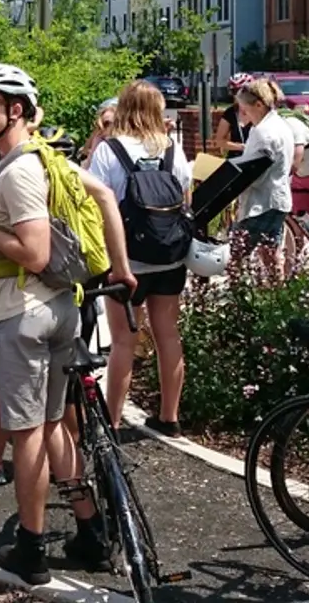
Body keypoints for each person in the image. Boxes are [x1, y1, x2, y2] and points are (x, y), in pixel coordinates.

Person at [0, 63, 135, 584]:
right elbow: (105, 197)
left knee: (27, 433)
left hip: (23, 314)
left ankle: (31, 548)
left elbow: (34, 253)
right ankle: (89, 532)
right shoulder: (48, 158)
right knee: (58, 423)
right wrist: (120, 268)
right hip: (63, 308)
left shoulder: (16, 171)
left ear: (16, 109)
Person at [86, 81, 193, 436]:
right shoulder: (172, 148)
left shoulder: (108, 151)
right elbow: (185, 199)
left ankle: (112, 422)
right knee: (168, 336)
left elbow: (96, 204)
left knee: (122, 342)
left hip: (126, 261)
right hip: (169, 258)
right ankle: (170, 416)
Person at [231, 79, 295, 260]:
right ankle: (277, 288)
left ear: (258, 105)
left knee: (236, 256)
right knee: (270, 253)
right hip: (279, 199)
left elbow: (253, 170)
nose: (242, 113)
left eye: (244, 109)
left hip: (261, 203)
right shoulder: (280, 125)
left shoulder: (264, 132)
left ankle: (237, 289)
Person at [214, 73, 253, 157]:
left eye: (240, 91)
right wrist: (241, 147)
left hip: (257, 158)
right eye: (233, 91)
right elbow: (219, 141)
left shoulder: (259, 110)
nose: (236, 95)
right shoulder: (230, 113)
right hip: (236, 159)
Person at [79, 98, 118, 169]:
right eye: (106, 124)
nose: (105, 130)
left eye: (109, 123)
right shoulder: (99, 137)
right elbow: (85, 153)